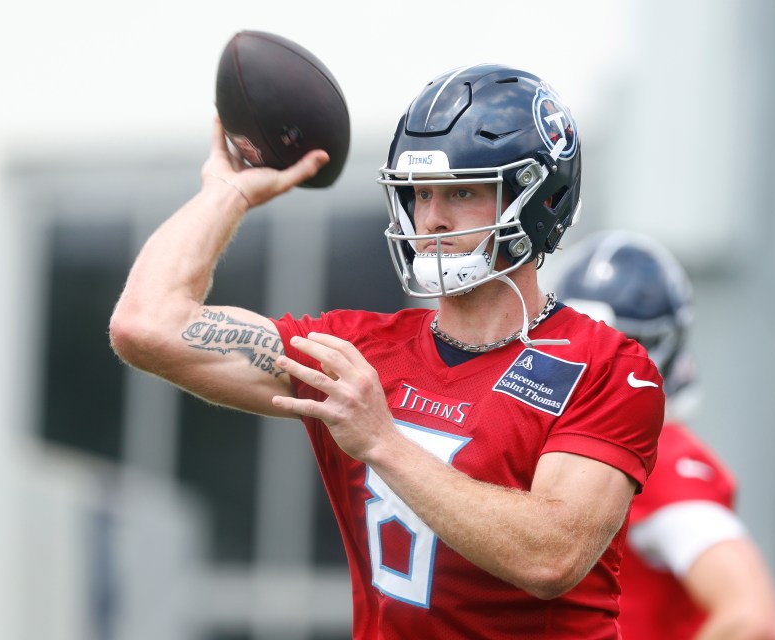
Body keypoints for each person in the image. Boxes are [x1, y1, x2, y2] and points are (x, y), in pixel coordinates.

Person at [109, 64, 665, 639]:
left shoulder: (609, 366)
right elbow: (146, 326)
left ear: (540, 198)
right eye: (420, 193)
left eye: (463, 192)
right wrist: (225, 194)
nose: (432, 219)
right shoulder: (359, 353)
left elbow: (551, 556)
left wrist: (383, 441)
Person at [556, 230, 775, 640]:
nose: (591, 363)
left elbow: (751, 619)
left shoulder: (656, 457)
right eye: (577, 344)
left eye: (616, 346)